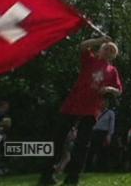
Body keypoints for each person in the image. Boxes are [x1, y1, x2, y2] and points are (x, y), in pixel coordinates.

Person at [40, 36, 122, 185]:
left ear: (114, 56)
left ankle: (72, 178)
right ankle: (46, 176)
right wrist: (100, 40)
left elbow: (119, 90)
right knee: (57, 139)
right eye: (106, 48)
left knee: (82, 144)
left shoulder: (112, 70)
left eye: (112, 50)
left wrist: (109, 89)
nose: (108, 51)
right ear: (100, 49)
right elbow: (83, 45)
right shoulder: (90, 60)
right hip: (72, 104)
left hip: (91, 109)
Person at [87, 97, 115, 172]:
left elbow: (111, 125)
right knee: (91, 150)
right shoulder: (96, 111)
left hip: (103, 133)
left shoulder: (110, 113)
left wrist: (109, 135)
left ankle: (102, 168)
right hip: (94, 132)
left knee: (103, 151)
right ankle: (88, 168)